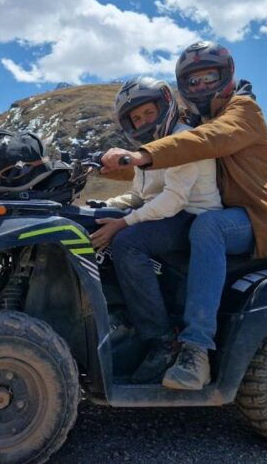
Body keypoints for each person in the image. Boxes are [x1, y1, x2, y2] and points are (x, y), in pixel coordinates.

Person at [100, 41, 267, 390]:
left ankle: (195, 350)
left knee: (208, 226)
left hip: (261, 218)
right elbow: (165, 170)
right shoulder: (196, 121)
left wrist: (141, 155)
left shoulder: (242, 112)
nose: (200, 86)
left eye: (208, 77)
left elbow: (207, 141)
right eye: (193, 81)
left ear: (226, 75)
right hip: (230, 214)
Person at [90, 77, 223, 384]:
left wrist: (122, 223)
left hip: (192, 217)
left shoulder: (183, 139)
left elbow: (173, 200)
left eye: (148, 113)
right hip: (167, 216)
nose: (143, 121)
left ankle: (163, 339)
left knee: (127, 243)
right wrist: (105, 208)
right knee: (103, 224)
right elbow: (140, 197)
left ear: (165, 106)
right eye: (136, 118)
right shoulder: (146, 152)